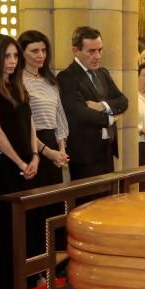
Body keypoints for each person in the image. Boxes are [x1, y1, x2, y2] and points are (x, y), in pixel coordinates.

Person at [0, 34, 39, 289]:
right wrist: (20, 162)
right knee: (6, 229)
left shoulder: (19, 87)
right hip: (5, 167)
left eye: (16, 56)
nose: (13, 61)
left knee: (27, 227)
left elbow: (30, 124)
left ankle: (27, 284)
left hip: (28, 164)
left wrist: (36, 155)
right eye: (7, 56)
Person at [57, 26, 128, 180]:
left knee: (108, 201)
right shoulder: (66, 77)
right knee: (88, 202)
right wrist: (110, 118)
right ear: (76, 51)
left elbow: (123, 101)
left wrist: (102, 106)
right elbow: (79, 113)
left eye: (100, 50)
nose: (97, 56)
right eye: (91, 51)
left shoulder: (103, 73)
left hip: (107, 148)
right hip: (85, 153)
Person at [18, 30, 69, 185]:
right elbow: (23, 125)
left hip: (52, 142)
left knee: (54, 202)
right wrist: (46, 152)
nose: (41, 55)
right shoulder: (18, 82)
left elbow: (60, 118)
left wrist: (61, 151)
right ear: (22, 53)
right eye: (35, 51)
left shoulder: (49, 81)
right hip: (31, 144)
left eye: (44, 50)